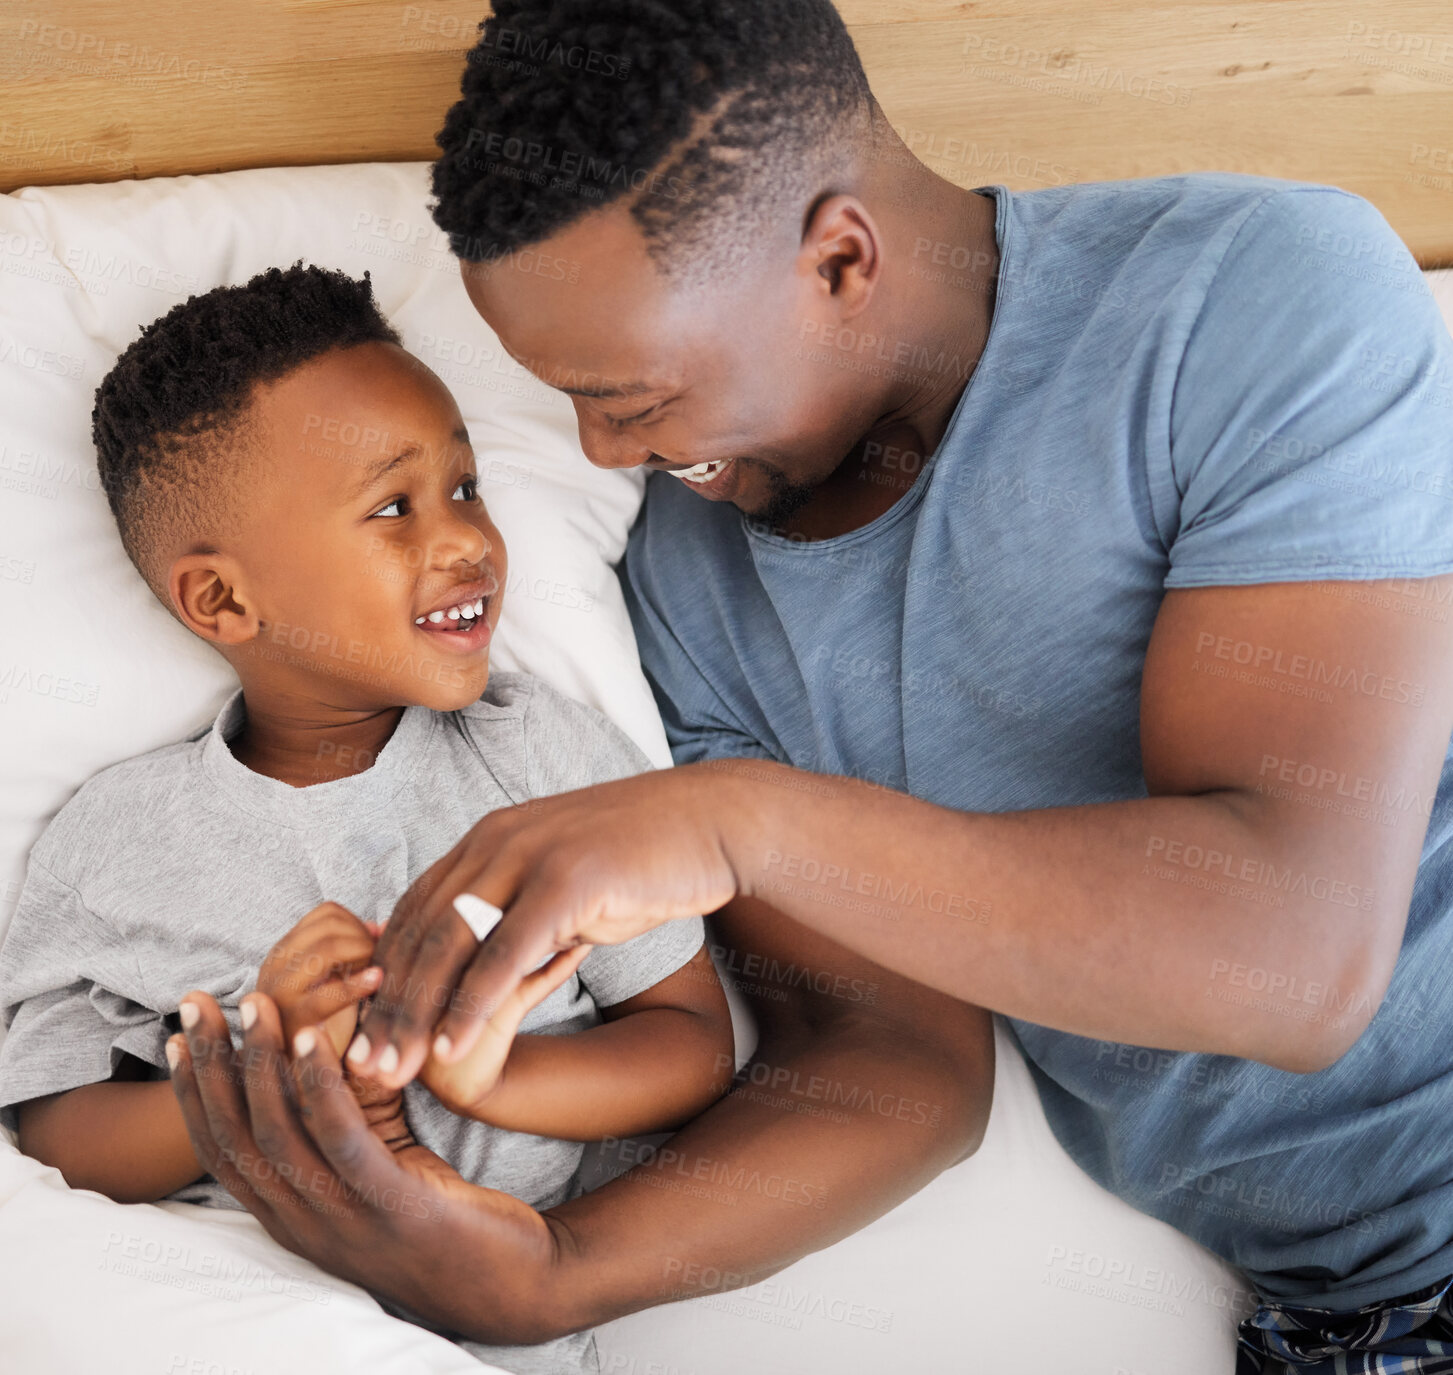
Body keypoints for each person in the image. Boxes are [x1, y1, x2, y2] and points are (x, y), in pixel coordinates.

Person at [170, 2, 1453, 1371]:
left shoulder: (1249, 298)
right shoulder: (691, 583)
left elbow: (1293, 956)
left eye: (633, 392)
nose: (605, 452)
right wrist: (547, 1274)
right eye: (571, 399)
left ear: (839, 257)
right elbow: (896, 1060)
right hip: (1350, 1322)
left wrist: (735, 821)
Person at [0, 263, 733, 1375]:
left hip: (501, 1319)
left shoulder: (546, 762)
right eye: (393, 507)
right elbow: (56, 1135)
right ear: (225, 602)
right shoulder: (115, 839)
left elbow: (689, 1042)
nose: (466, 540)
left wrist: (483, 1075)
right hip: (238, 1308)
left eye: (466, 486)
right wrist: (261, 1070)